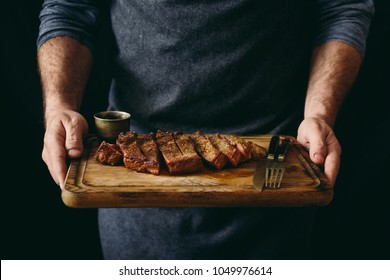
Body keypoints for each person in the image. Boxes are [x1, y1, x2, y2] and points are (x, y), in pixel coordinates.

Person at [36, 0, 374, 259]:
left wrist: (319, 114)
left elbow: (341, 7)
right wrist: (59, 108)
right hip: (135, 187)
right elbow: (70, 9)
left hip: (273, 179)